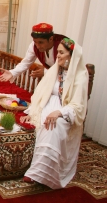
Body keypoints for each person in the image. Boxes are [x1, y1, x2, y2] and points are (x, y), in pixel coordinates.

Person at [20, 38, 88, 189]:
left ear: (72, 55)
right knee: (42, 120)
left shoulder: (80, 76)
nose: (58, 56)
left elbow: (78, 106)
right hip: (47, 106)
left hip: (65, 112)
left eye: (62, 53)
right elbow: (41, 93)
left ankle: (37, 173)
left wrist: (59, 112)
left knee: (53, 125)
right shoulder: (54, 70)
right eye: (57, 52)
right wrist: (33, 111)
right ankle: (38, 171)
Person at [0, 23, 66, 83]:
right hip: (52, 78)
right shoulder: (34, 45)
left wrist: (45, 72)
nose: (38, 46)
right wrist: (13, 72)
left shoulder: (64, 45)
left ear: (51, 39)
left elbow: (70, 71)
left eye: (41, 42)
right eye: (35, 42)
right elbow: (26, 62)